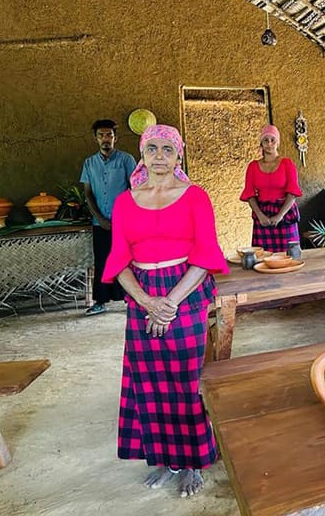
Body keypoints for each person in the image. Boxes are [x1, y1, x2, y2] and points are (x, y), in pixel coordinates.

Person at [101, 124, 229, 498]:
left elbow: (206, 256)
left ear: (178, 155)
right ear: (142, 154)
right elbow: (119, 260)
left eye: (167, 149)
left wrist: (170, 301)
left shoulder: (195, 197)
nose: (160, 156)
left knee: (185, 380)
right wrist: (146, 301)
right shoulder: (125, 201)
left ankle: (192, 462)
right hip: (142, 293)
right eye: (152, 148)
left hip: (185, 289)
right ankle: (166, 459)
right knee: (149, 381)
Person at [80, 119, 137, 316]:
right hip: (100, 223)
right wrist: (101, 219)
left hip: (124, 222)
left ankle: (131, 300)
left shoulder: (126, 160)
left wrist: (124, 218)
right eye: (101, 135)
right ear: (95, 139)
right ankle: (100, 301)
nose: (106, 139)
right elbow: (88, 193)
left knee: (126, 260)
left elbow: (135, 189)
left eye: (109, 135)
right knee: (102, 261)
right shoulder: (89, 163)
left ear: (115, 138)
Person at [240, 124, 302, 252]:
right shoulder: (253, 167)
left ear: (278, 142)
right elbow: (250, 194)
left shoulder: (287, 164)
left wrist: (280, 215)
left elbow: (292, 193)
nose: (269, 143)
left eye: (272, 140)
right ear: (261, 143)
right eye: (265, 140)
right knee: (263, 256)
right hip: (263, 213)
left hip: (285, 213)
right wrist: (260, 215)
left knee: (289, 254)